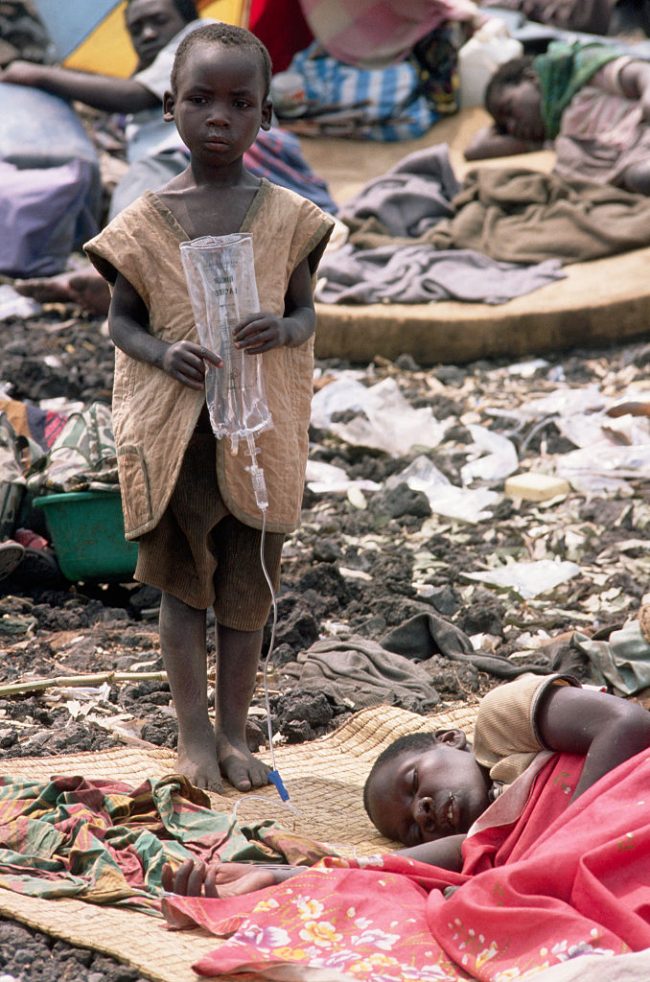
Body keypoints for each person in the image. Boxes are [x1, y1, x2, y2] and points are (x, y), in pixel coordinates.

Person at [84, 23, 334, 793]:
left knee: (247, 594)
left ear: (266, 116)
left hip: (257, 436)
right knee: (183, 590)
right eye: (201, 99)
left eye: (239, 103)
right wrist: (165, 353)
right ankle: (193, 740)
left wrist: (284, 328)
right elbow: (120, 321)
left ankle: (235, 736)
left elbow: (306, 314)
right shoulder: (146, 222)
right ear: (170, 107)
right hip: (178, 439)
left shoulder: (288, 218)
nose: (219, 117)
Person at [161, 670, 650, 895]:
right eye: (414, 827)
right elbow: (386, 868)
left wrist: (563, 848)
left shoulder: (500, 723)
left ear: (451, 739)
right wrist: (274, 879)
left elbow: (626, 726)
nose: (422, 812)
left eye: (414, 782)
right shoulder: (486, 842)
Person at [464, 40, 650, 196]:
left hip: (644, 126)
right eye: (505, 127)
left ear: (531, 78)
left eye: (509, 109)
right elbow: (475, 150)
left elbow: (642, 73)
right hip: (633, 160)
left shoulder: (580, 71)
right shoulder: (556, 135)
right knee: (639, 177)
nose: (512, 126)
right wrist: (499, 126)